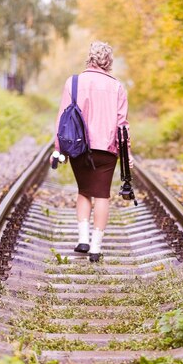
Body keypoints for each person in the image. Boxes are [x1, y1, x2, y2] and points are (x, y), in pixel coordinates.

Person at [55, 41, 133, 263]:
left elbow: (62, 118)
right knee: (102, 194)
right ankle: (96, 248)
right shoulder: (117, 87)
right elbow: (122, 125)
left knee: (84, 191)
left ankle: (83, 239)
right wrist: (128, 154)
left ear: (89, 58)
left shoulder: (74, 82)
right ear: (108, 62)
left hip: (79, 146)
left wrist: (58, 149)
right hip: (107, 149)